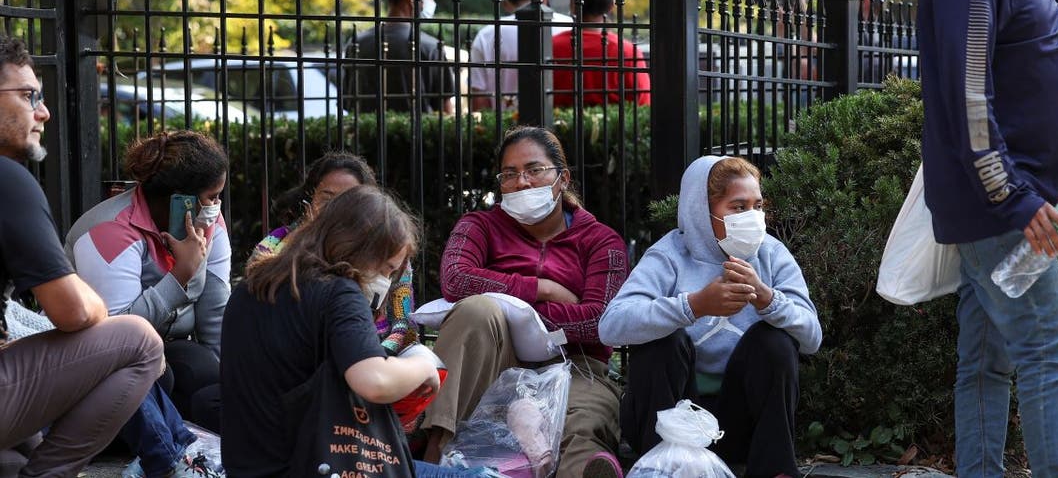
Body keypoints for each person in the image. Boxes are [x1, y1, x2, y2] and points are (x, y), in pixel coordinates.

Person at [915, 0, 1058, 477]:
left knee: (987, 358)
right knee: (1052, 347)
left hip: (1015, 204)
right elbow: (968, 92)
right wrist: (1015, 197)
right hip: (1006, 209)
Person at [421, 126, 628, 478]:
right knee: (475, 309)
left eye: (534, 170)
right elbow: (456, 279)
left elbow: (599, 320)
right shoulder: (479, 226)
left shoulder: (601, 241)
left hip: (575, 364)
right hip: (494, 360)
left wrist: (523, 313)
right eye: (510, 174)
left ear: (562, 179)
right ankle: (436, 454)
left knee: (577, 427)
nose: (522, 183)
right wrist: (541, 288)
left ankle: (586, 470)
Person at [0, 34, 163, 476]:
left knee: (16, 458)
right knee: (140, 340)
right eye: (28, 95)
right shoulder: (7, 180)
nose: (44, 112)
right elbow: (73, 312)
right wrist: (99, 309)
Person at [599, 155, 821, 478]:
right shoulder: (670, 255)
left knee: (775, 340)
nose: (753, 217)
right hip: (670, 420)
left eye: (758, 206)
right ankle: (660, 470)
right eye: (738, 207)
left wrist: (767, 299)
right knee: (662, 340)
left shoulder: (771, 254)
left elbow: (812, 337)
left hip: (739, 424)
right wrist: (694, 306)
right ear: (703, 211)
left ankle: (775, 471)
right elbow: (611, 325)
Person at [220, 185, 439, 477]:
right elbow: (374, 381)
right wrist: (424, 363)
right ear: (360, 248)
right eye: (387, 269)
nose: (385, 282)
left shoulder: (251, 287)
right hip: (312, 464)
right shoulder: (339, 292)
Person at [66, 130, 230, 432]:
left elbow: (216, 312)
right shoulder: (109, 230)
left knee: (205, 372)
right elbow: (118, 335)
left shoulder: (207, 223)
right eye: (212, 196)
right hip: (96, 360)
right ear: (181, 200)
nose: (217, 206)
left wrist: (225, 387)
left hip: (166, 344)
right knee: (155, 377)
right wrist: (182, 274)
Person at [251, 151, 418, 354]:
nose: (337, 211)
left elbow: (404, 325)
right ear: (309, 199)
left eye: (349, 201)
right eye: (327, 199)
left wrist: (379, 355)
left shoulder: (390, 254)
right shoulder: (273, 248)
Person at [344, 0, 456, 114]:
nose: (432, 0)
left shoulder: (356, 44)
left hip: (366, 137)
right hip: (419, 137)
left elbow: (349, 104)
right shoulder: (431, 48)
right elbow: (446, 114)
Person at [469, 0, 574, 111]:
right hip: (559, 123)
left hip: (505, 127)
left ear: (506, 3)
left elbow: (479, 100)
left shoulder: (487, 34)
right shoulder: (569, 27)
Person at [552, 0, 651, 108]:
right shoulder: (627, 53)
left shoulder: (550, 48)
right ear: (612, 5)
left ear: (573, 4)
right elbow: (643, 109)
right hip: (617, 130)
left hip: (555, 129)